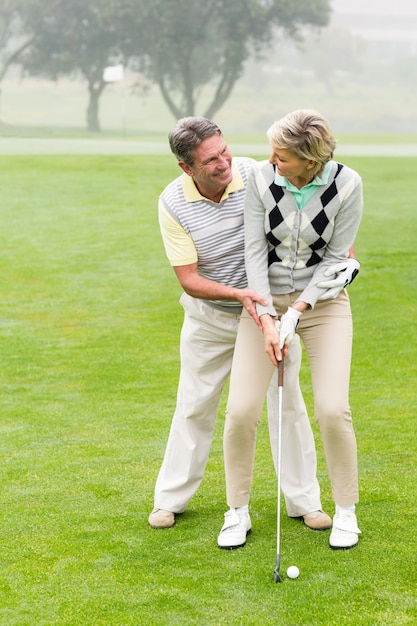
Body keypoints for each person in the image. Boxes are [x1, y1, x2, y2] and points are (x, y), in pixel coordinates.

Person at [148, 116, 355, 540]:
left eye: (224, 151)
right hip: (212, 317)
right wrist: (245, 298)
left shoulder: (256, 172)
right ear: (187, 168)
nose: (225, 163)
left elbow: (308, 217)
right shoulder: (172, 202)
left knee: (288, 403)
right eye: (211, 160)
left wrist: (275, 308)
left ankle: (304, 501)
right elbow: (188, 278)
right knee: (196, 404)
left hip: (272, 312)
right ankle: (170, 499)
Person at [219, 109, 363, 551]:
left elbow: (339, 258)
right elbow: (253, 252)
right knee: (242, 409)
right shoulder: (262, 179)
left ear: (309, 159)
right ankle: (236, 511)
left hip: (323, 306)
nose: (271, 159)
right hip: (263, 303)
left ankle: (345, 512)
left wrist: (298, 311)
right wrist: (266, 318)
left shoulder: (347, 184)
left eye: (281, 154)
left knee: (332, 409)